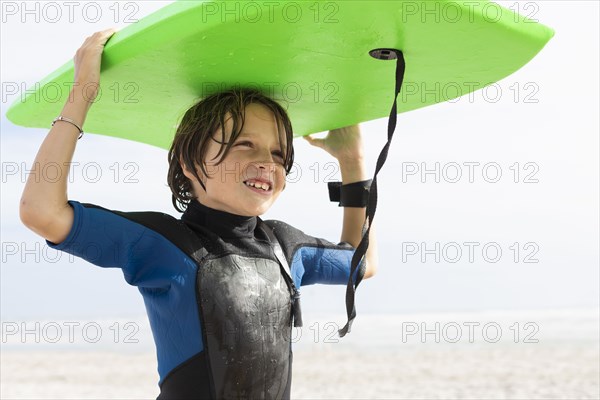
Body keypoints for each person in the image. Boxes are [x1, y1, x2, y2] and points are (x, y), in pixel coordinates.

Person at [19, 29, 378, 400]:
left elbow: (362, 261)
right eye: (245, 144)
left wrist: (352, 163)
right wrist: (82, 95)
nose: (265, 164)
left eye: (277, 153)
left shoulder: (285, 249)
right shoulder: (166, 244)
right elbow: (41, 211)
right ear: (191, 162)